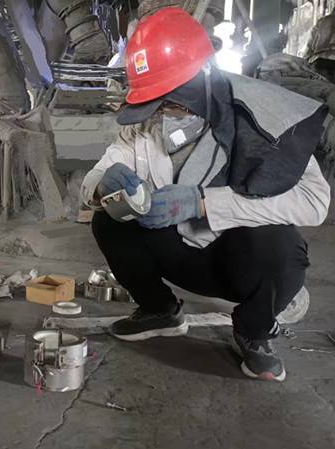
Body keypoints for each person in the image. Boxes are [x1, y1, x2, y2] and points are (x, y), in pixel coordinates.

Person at [81, 8, 331, 382]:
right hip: (180, 255)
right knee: (108, 221)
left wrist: (201, 203)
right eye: (154, 102)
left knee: (281, 249)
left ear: (200, 78)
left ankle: (253, 331)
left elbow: (314, 201)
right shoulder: (146, 125)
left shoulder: (265, 118)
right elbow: (96, 178)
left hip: (238, 261)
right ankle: (160, 311)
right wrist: (104, 183)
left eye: (169, 100)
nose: (161, 112)